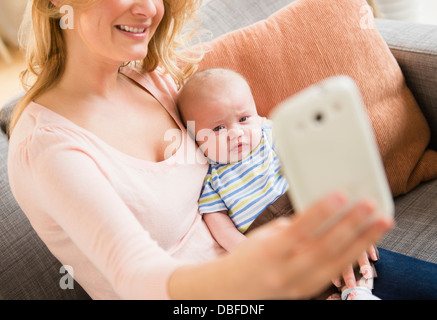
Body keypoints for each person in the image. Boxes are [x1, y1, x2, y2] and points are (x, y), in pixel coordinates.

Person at [5, 0, 435, 300]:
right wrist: (258, 266)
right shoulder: (47, 148)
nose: (149, 8)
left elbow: (249, 144)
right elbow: (133, 276)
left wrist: (326, 227)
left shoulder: (150, 77)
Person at [177, 68, 379, 300]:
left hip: (302, 211)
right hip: (264, 237)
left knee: (344, 248)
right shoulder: (211, 177)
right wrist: (247, 251)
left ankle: (358, 290)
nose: (236, 133)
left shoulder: (271, 136)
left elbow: (312, 163)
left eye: (244, 119)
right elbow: (217, 222)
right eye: (218, 128)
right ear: (195, 137)